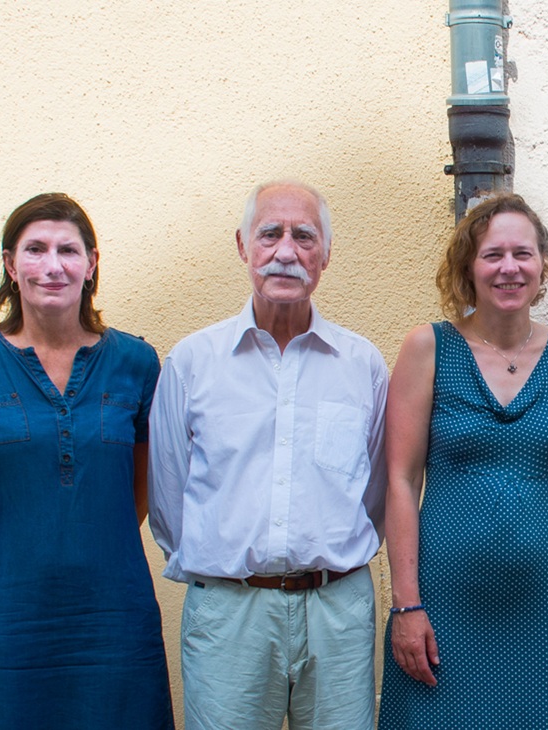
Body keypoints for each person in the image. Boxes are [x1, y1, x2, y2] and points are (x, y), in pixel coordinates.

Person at [0, 193, 171, 729]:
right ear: (11, 266)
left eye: (68, 250)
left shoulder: (136, 362)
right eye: (35, 249)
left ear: (92, 263)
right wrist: (6, 566)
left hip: (113, 618)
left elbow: (140, 488)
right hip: (1, 619)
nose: (52, 266)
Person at [149, 180, 389, 730]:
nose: (286, 252)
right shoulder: (193, 362)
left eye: (304, 236)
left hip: (337, 611)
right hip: (229, 612)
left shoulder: (362, 365)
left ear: (326, 253)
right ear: (243, 246)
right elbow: (168, 497)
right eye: (269, 234)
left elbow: (375, 494)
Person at [378, 193, 548, 728]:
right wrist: (406, 604)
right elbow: (400, 480)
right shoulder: (428, 347)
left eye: (522, 254)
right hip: (441, 607)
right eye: (493, 255)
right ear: (469, 265)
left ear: (541, 264)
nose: (509, 268)